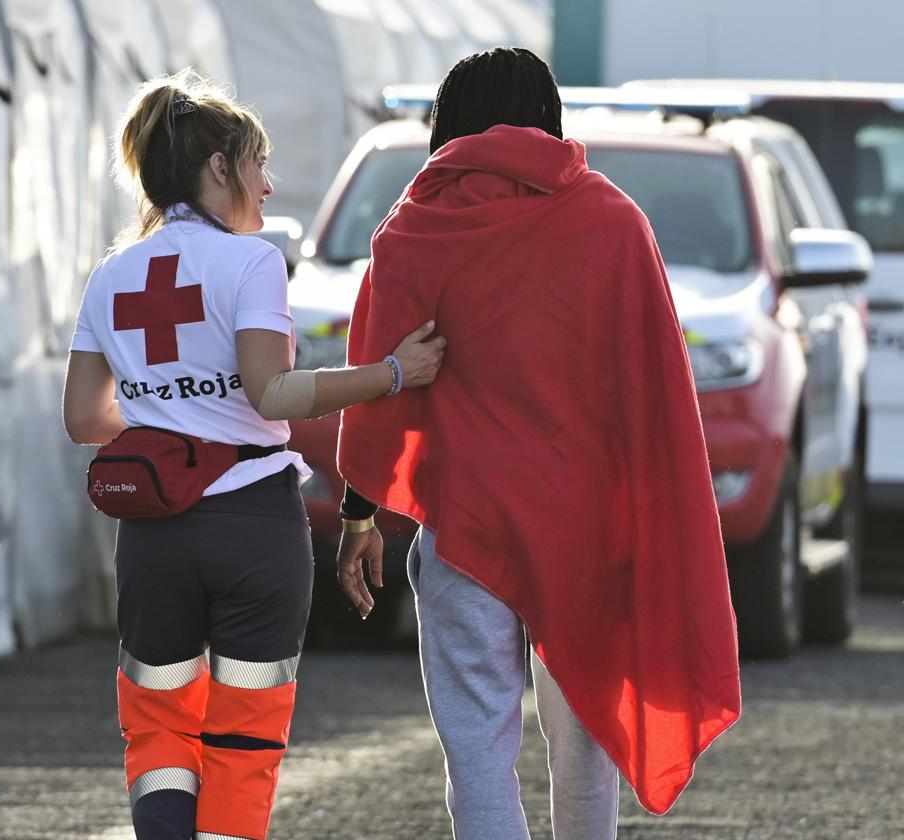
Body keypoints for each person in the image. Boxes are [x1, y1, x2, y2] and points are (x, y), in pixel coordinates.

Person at [334, 48, 742, 839]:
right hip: (588, 531)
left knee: (478, 753)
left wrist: (358, 517)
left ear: (449, 122)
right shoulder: (613, 221)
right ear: (548, 116)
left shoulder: (416, 228)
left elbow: (380, 380)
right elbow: (653, 392)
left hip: (466, 524)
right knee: (586, 741)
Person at [61, 70, 445, 840]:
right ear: (217, 169)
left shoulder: (112, 273)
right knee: (244, 736)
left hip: (153, 533)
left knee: (160, 729)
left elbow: (82, 419)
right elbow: (273, 394)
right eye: (258, 163)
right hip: (251, 524)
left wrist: (164, 410)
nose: (267, 187)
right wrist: (394, 374)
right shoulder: (253, 262)